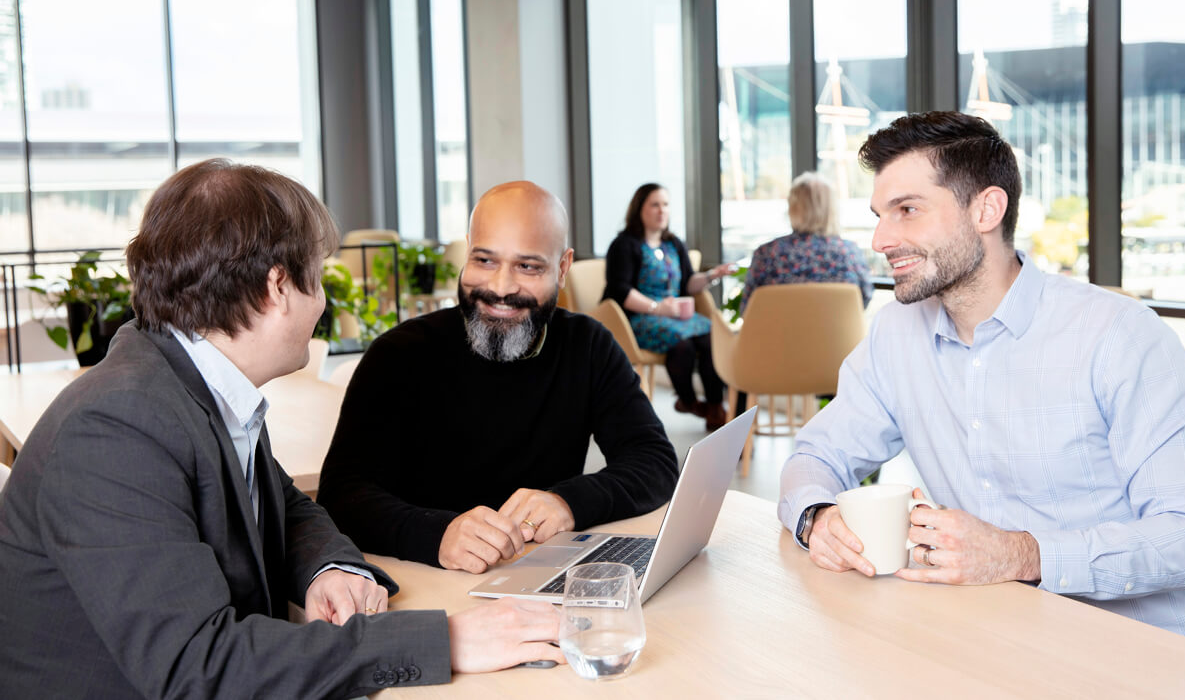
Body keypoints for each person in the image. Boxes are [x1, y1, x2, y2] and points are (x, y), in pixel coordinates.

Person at [0, 160, 564, 699]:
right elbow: (200, 669)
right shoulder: (118, 429)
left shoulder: (188, 382)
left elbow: (284, 504)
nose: (321, 301)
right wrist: (447, 639)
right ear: (277, 287)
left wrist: (327, 567)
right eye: (315, 278)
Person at [778, 112, 1185, 642]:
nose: (880, 238)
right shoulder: (895, 335)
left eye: (907, 210)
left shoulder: (1119, 336)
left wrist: (1019, 553)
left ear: (987, 209)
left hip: (1145, 647)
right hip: (994, 635)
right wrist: (816, 517)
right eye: (880, 215)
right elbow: (815, 454)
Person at [318, 181, 679, 575]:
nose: (501, 288)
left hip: (536, 573)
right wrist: (435, 534)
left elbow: (654, 460)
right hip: (423, 578)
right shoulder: (399, 353)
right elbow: (342, 493)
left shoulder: (588, 346)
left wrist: (569, 502)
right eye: (485, 260)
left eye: (528, 266)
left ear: (562, 268)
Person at [604, 183, 735, 427]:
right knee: (681, 344)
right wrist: (658, 308)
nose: (661, 210)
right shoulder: (623, 245)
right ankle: (689, 401)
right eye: (655, 204)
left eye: (665, 204)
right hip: (640, 317)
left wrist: (711, 275)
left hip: (676, 316)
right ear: (639, 209)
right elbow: (620, 291)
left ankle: (716, 408)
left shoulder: (674, 244)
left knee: (712, 338)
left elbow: (688, 283)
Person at [739, 171, 875, 313]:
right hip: (835, 335)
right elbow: (863, 301)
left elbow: (747, 310)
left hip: (778, 334)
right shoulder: (850, 253)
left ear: (793, 208)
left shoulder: (767, 254)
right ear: (832, 209)